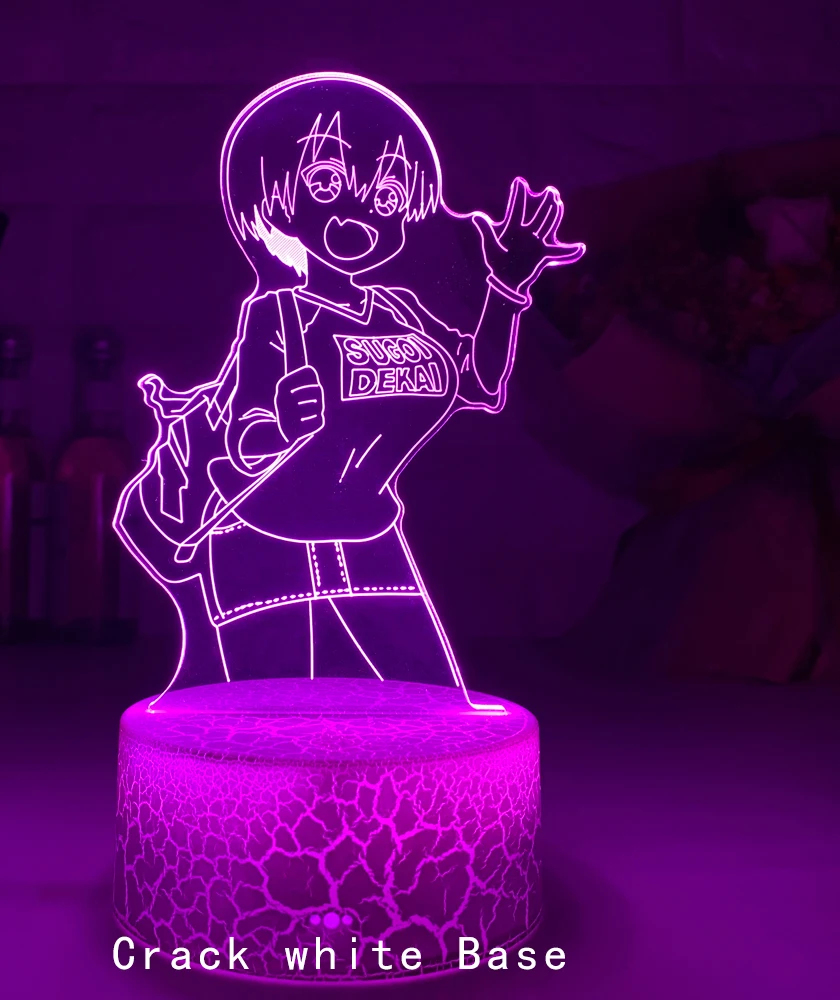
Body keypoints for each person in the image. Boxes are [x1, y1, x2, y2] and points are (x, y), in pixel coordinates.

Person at [115, 73, 584, 708]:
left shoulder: (399, 311)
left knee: (436, 715)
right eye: (327, 184)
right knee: (271, 726)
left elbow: (478, 385)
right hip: (265, 547)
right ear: (274, 200)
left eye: (387, 196)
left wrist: (505, 289)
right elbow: (245, 436)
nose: (358, 213)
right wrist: (282, 425)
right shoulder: (276, 315)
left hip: (371, 541)